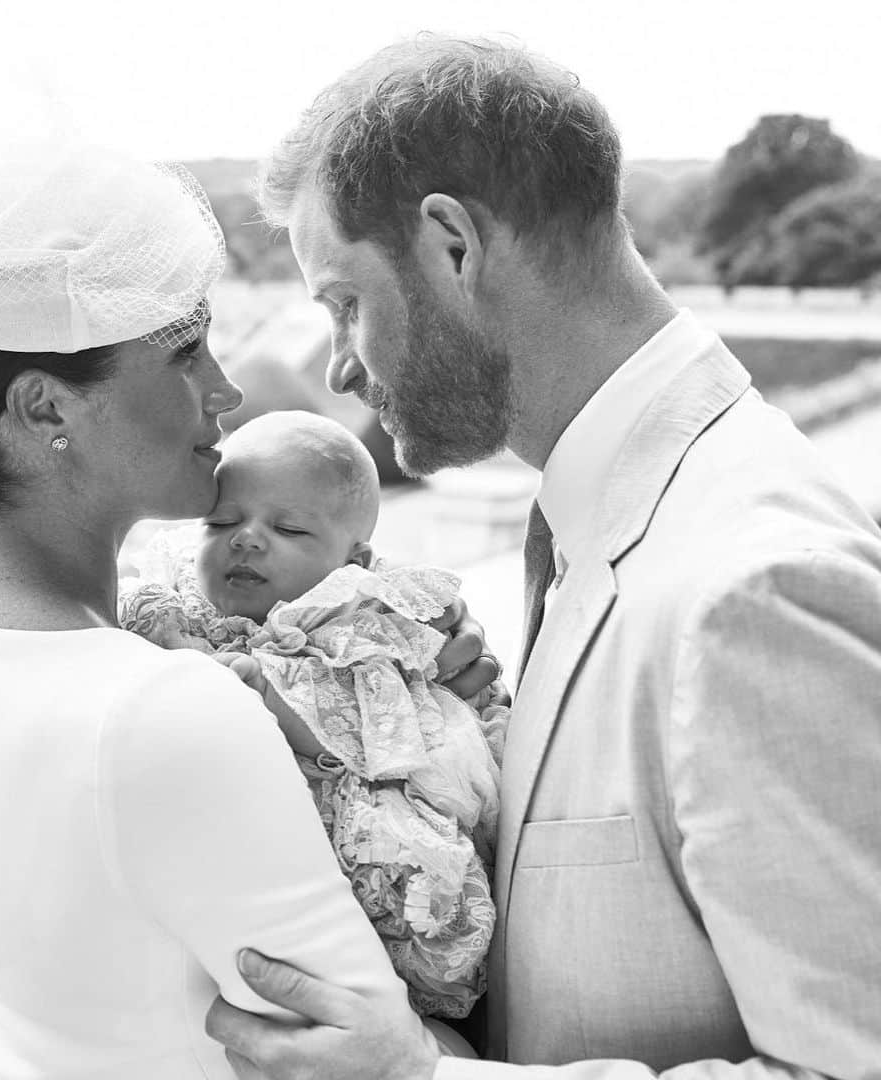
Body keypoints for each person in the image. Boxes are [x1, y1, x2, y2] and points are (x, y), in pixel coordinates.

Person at [203, 35, 881, 1080]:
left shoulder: (753, 588)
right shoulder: (599, 515)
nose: (339, 364)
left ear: (453, 248)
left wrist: (420, 1078)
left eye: (345, 302)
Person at [0, 140, 496, 1079]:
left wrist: (388, 667)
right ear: (46, 405)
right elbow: (376, 1051)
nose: (224, 391)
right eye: (184, 355)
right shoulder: (170, 707)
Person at [120, 409, 508, 1020]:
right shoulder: (175, 599)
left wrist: (254, 690)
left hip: (353, 818)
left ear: (354, 559)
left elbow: (355, 725)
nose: (246, 538)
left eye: (291, 530)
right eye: (221, 521)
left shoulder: (352, 623)